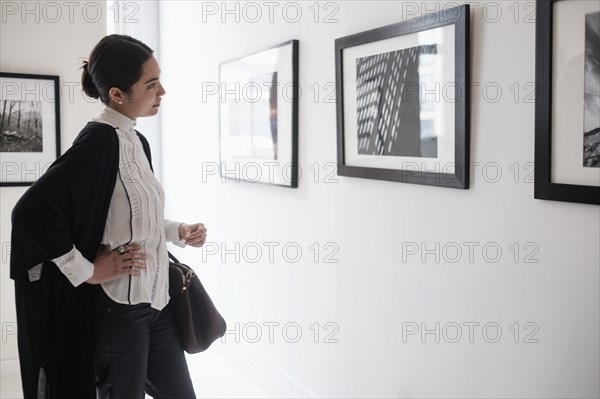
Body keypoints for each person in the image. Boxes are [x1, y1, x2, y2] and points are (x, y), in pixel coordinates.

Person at [10, 34, 204, 398]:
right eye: (151, 84)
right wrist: (89, 271)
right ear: (117, 94)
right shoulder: (99, 142)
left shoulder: (137, 140)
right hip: (121, 313)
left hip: (157, 302)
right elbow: (30, 213)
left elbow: (132, 218)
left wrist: (180, 230)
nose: (162, 91)